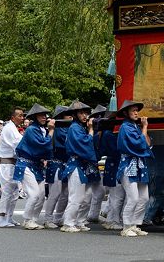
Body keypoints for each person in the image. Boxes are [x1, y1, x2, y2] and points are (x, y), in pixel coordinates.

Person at [60, 100, 98, 233]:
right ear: (75, 115)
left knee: (86, 197)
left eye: (86, 112)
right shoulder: (74, 128)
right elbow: (86, 143)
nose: (84, 115)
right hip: (76, 165)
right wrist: (91, 130)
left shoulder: (80, 128)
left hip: (83, 165)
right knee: (76, 197)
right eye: (81, 113)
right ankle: (68, 222)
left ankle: (80, 221)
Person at [14, 103, 54, 230]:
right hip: (25, 163)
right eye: (41, 115)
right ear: (35, 117)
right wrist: (52, 131)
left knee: (41, 194)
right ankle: (27, 219)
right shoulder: (32, 130)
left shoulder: (42, 130)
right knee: (34, 193)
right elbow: (42, 146)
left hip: (36, 165)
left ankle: (33, 219)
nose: (44, 117)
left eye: (45, 115)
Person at [116, 100, 153, 238]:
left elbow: (148, 144)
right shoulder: (125, 127)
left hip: (139, 165)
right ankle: (126, 226)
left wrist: (144, 128)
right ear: (126, 113)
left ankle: (135, 224)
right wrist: (144, 127)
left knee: (144, 197)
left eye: (137, 110)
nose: (136, 113)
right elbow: (139, 144)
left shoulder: (135, 127)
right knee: (133, 198)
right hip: (128, 165)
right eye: (133, 110)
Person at [0, 106, 25, 228]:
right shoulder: (9, 128)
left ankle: (9, 217)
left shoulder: (13, 128)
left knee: (14, 193)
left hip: (12, 164)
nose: (22, 118)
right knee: (7, 192)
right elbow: (19, 143)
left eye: (23, 115)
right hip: (6, 164)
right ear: (13, 117)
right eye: (20, 115)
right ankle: (1, 218)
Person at [43, 105, 71, 228]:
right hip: (56, 164)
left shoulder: (70, 128)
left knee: (66, 193)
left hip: (66, 164)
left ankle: (59, 217)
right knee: (55, 193)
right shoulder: (56, 129)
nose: (71, 116)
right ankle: (48, 218)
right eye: (68, 114)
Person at [101, 111, 125, 231]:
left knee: (116, 196)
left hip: (114, 165)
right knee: (117, 196)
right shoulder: (109, 134)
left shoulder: (109, 133)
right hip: (114, 165)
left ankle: (113, 218)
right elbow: (115, 151)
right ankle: (112, 220)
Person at [87, 105, 109, 224]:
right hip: (85, 164)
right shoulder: (89, 131)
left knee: (99, 191)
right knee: (85, 193)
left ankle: (93, 215)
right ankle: (76, 218)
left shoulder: (101, 133)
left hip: (94, 163)